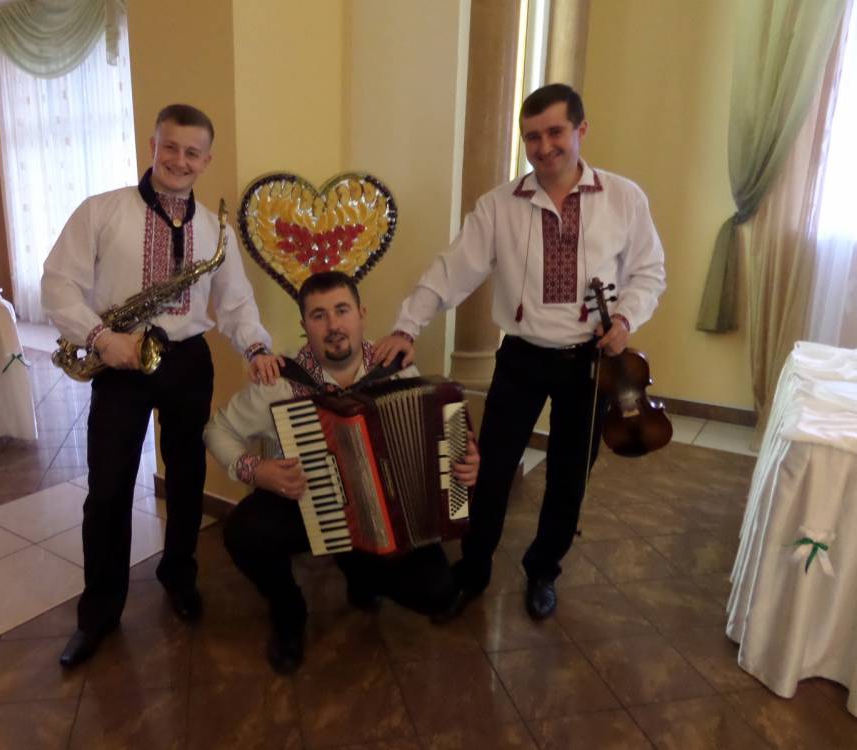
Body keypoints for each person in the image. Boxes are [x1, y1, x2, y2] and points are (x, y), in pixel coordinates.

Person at [374, 83, 666, 621]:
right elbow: (450, 271)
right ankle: (474, 567)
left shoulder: (624, 198)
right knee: (491, 467)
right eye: (532, 137)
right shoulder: (498, 206)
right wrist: (406, 326)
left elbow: (649, 272)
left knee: (568, 475)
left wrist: (625, 318)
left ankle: (543, 570)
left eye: (555, 132)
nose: (544, 146)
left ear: (581, 130)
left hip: (590, 363)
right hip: (522, 358)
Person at [42, 103, 281, 668]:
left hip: (187, 360)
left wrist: (256, 347)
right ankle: (99, 613)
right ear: (152, 146)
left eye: (192, 152)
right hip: (119, 358)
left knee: (188, 477)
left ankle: (180, 577)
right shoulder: (101, 211)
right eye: (169, 147)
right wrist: (102, 339)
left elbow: (236, 303)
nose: (179, 160)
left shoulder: (216, 231)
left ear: (207, 160)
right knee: (108, 490)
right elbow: (57, 284)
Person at [205, 271, 480, 674]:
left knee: (437, 592)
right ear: (305, 325)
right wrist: (258, 470)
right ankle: (288, 609)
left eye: (341, 310)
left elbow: (439, 441)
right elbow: (217, 430)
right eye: (319, 315)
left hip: (382, 513)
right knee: (244, 532)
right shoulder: (280, 382)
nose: (333, 325)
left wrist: (465, 463)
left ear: (361, 314)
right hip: (306, 503)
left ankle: (362, 574)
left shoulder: (395, 369)